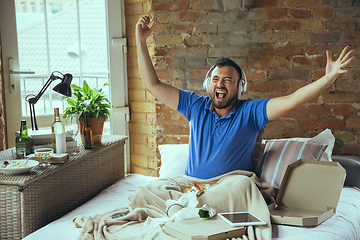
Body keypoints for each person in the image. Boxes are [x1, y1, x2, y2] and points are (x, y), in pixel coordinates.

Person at [136, 15, 355, 180]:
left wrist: (326, 80)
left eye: (227, 80)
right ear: (207, 83)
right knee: (146, 194)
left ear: (240, 86)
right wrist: (140, 41)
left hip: (230, 188)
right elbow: (152, 85)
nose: (220, 84)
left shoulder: (251, 112)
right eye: (215, 79)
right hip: (191, 188)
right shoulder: (194, 105)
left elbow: (292, 99)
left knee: (242, 186)